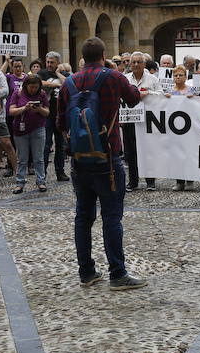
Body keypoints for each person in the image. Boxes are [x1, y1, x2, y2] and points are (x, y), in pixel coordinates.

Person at [57, 37, 146, 289]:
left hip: (79, 160)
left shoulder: (69, 82)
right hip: (107, 158)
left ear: (82, 58)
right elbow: (134, 99)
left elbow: (59, 122)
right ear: (104, 54)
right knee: (111, 218)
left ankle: (86, 272)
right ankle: (117, 274)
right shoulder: (113, 77)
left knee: (83, 217)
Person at [124, 52, 161, 191]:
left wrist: (148, 93)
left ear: (144, 64)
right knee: (130, 152)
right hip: (129, 119)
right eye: (133, 62)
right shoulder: (125, 79)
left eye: (139, 62)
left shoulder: (152, 79)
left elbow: (161, 94)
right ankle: (133, 181)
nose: (135, 64)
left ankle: (150, 181)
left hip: (147, 120)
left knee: (148, 150)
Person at [8, 74, 49, 193]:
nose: (33, 89)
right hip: (20, 130)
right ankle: (20, 182)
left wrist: (39, 109)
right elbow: (11, 111)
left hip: (38, 128)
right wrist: (24, 108)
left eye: (36, 87)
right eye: (31, 87)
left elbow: (47, 112)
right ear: (26, 86)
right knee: (22, 158)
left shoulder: (42, 94)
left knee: (38, 157)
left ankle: (41, 181)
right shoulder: (18, 93)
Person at [37, 51, 69, 181]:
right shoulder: (42, 73)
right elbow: (40, 82)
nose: (49, 64)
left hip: (61, 115)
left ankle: (60, 172)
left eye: (52, 62)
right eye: (48, 62)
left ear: (58, 63)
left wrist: (57, 73)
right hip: (47, 116)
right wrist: (55, 84)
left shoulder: (63, 74)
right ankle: (42, 174)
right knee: (45, 145)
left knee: (60, 146)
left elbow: (67, 83)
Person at [166, 65, 197, 191]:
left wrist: (193, 99)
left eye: (181, 75)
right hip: (175, 127)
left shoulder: (192, 90)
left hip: (189, 127)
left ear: (186, 76)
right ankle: (179, 181)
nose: (178, 77)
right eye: (176, 75)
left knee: (189, 153)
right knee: (177, 154)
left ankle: (190, 180)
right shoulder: (169, 91)